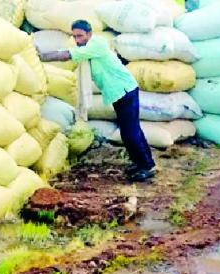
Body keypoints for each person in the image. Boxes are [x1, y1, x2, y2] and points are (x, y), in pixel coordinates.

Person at [39, 19, 156, 182]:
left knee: (129, 132)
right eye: (75, 37)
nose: (78, 40)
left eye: (80, 36)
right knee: (131, 129)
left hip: (125, 91)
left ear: (89, 34)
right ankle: (144, 163)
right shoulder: (89, 48)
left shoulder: (97, 45)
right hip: (120, 92)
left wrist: (41, 56)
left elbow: (66, 54)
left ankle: (145, 167)